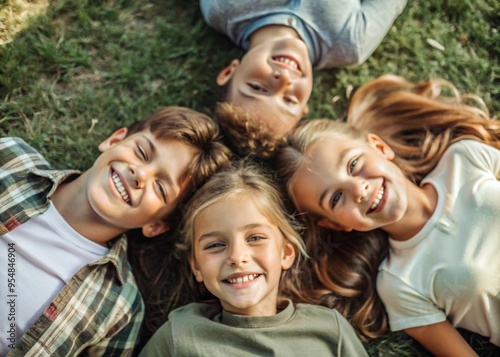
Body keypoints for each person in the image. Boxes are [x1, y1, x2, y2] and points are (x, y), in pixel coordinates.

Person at [276, 75, 500, 356]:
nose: (358, 189)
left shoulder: (465, 158)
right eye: (335, 198)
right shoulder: (398, 284)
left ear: (380, 147)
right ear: (336, 223)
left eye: (354, 164)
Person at [0, 106, 231, 356]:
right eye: (142, 152)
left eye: (160, 187)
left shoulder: (120, 310)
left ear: (156, 225)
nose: (140, 174)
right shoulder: (11, 158)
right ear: (114, 139)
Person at [138, 164, 369, 356]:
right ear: (196, 266)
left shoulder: (329, 330)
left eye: (255, 238)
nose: (237, 257)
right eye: (216, 245)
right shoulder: (179, 337)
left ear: (286, 253)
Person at [200, 0, 407, 157]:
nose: (283, 80)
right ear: (304, 106)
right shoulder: (350, 43)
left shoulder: (222, 9)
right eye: (289, 100)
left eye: (257, 87)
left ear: (229, 72)